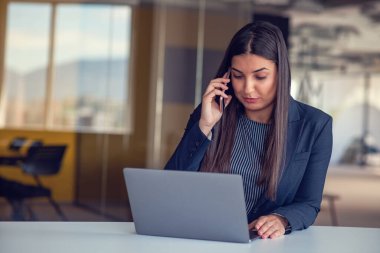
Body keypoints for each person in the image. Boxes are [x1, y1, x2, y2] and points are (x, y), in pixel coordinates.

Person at [164, 21, 333, 239]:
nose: (247, 88)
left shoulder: (315, 125)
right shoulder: (210, 113)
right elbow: (170, 188)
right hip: (201, 236)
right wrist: (205, 126)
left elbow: (308, 203)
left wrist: (281, 219)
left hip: (261, 244)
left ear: (281, 73)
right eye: (238, 75)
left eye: (260, 76)